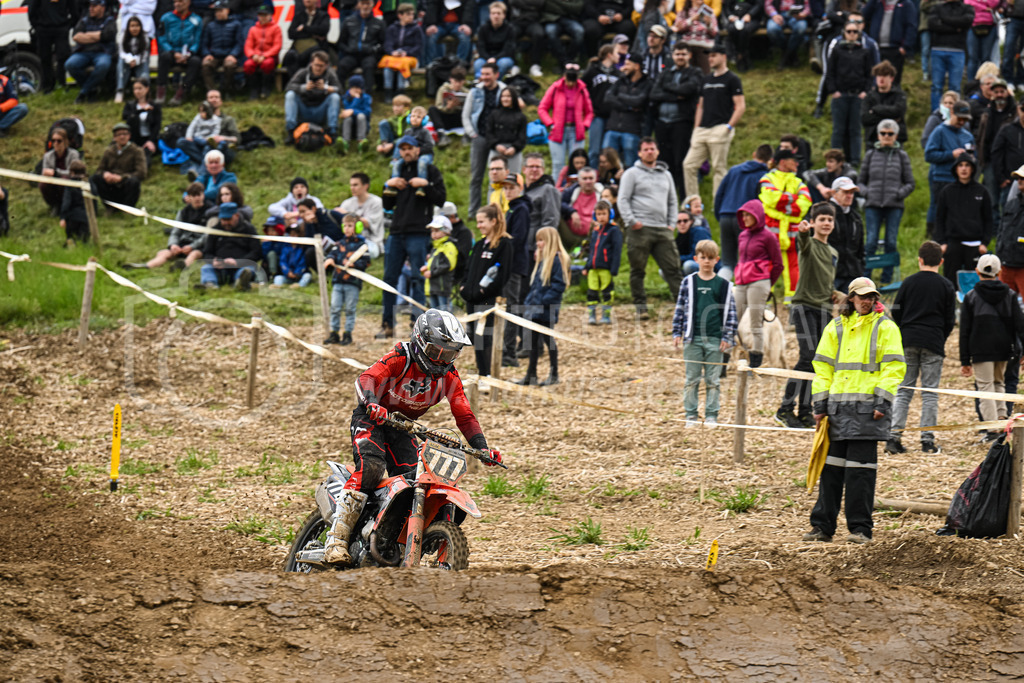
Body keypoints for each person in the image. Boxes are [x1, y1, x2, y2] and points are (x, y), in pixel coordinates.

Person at [322, 309, 501, 566]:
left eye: (450, 354)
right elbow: (367, 378)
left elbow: (464, 414)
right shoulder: (400, 357)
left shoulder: (449, 377)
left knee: (411, 484)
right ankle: (336, 541)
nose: (442, 360)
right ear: (420, 342)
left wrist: (482, 448)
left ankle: (390, 539)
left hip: (403, 428)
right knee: (371, 468)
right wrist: (372, 403)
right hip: (372, 419)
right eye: (437, 352)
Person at [804, 277, 906, 544]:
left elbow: (894, 368)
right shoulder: (835, 327)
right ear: (851, 298)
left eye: (871, 296)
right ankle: (822, 528)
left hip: (868, 412)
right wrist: (820, 405)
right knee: (831, 472)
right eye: (862, 296)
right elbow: (822, 369)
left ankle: (860, 530)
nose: (867, 301)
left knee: (860, 474)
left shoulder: (886, 327)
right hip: (837, 412)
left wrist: (882, 402)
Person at [887, 241, 956, 455]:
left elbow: (896, 311)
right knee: (929, 393)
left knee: (904, 390)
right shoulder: (946, 286)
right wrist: (940, 336)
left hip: (908, 339)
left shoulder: (908, 282)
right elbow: (950, 319)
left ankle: (893, 437)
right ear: (941, 262)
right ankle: (927, 440)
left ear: (920, 260)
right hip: (933, 341)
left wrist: (904, 330)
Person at [775, 202, 838, 429]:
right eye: (821, 219)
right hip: (803, 307)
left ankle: (804, 411)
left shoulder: (833, 253)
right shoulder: (808, 244)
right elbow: (801, 242)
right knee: (807, 356)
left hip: (823, 309)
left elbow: (826, 282)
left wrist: (838, 295)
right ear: (813, 223)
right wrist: (802, 232)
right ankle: (784, 409)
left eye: (829, 220)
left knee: (818, 361)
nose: (826, 223)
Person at [378, 136, 447, 338]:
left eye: (410, 148)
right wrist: (387, 185)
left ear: (418, 149)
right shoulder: (397, 171)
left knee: (418, 278)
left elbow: (441, 199)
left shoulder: (431, 171)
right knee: (389, 279)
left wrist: (425, 185)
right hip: (397, 232)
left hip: (419, 231)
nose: (406, 152)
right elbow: (387, 206)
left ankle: (417, 325)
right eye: (403, 149)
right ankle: (387, 324)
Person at [672, 239, 737, 426]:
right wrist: (677, 332)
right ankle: (690, 415)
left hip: (715, 339)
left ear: (717, 260)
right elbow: (680, 309)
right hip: (692, 339)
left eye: (710, 258)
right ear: (696, 259)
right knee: (691, 378)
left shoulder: (724, 285)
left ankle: (711, 415)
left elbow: (731, 312)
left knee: (713, 379)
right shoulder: (688, 282)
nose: (706, 261)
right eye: (703, 258)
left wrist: (728, 336)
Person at [961, 254, 1024, 442]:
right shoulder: (1010, 295)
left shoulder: (971, 297)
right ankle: (1002, 418)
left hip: (981, 350)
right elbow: (1020, 325)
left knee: (985, 387)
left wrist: (965, 360)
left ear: (977, 272)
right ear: (999, 272)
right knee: (999, 383)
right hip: (1004, 349)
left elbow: (965, 331)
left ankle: (992, 429)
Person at [619, 137, 682, 319]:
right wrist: (632, 221)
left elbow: (672, 200)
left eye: (652, 149)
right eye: (645, 149)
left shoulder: (666, 175)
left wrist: (671, 224)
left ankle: (683, 306)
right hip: (640, 228)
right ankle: (641, 308)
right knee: (638, 270)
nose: (649, 152)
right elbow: (623, 199)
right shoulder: (631, 174)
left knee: (673, 269)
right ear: (639, 153)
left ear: (657, 151)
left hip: (663, 229)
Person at [682, 44, 745, 201]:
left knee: (719, 168)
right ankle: (693, 203)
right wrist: (696, 128)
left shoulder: (732, 79)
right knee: (688, 165)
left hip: (720, 128)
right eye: (709, 56)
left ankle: (718, 203)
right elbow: (700, 106)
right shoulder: (706, 79)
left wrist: (729, 126)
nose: (710, 59)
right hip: (702, 129)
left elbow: (741, 106)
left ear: (723, 57)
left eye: (713, 55)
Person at [460, 204, 514, 377]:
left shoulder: (504, 244)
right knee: (475, 338)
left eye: (482, 222)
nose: (479, 226)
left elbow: (502, 275)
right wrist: (464, 287)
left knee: (485, 337)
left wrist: (483, 292)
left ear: (493, 221)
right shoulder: (479, 245)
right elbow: (468, 269)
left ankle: (489, 374)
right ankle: (482, 373)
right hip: (471, 298)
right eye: (477, 222)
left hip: (487, 300)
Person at [860, 119, 915, 284]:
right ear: (878, 135)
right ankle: (865, 278)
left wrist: (899, 194)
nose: (886, 136)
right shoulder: (870, 155)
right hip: (872, 205)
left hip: (894, 206)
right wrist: (867, 193)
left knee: (891, 242)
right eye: (883, 133)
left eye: (890, 134)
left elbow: (910, 183)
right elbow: (860, 181)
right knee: (870, 242)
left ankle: (887, 279)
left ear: (896, 136)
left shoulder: (902, 156)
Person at [517, 227, 570, 386]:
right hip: (535, 309)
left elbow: (558, 286)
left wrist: (542, 302)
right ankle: (530, 374)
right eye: (537, 240)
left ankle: (554, 373)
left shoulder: (556, 260)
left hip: (546, 309)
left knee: (548, 340)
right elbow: (535, 287)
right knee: (532, 343)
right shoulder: (543, 261)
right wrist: (529, 303)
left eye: (541, 240)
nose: (538, 244)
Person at [732, 199, 782, 369]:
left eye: (748, 215)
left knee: (755, 322)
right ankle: (726, 359)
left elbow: (778, 264)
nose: (745, 218)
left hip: (758, 282)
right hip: (741, 282)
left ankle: (756, 359)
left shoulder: (768, 236)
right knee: (732, 320)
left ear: (757, 215)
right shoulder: (742, 235)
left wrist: (767, 283)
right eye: (743, 215)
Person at [759, 148, 812, 304]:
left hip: (791, 233)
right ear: (782, 162)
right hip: (772, 232)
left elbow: (805, 203)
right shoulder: (767, 178)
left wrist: (781, 205)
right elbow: (771, 198)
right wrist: (793, 200)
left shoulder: (798, 181)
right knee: (768, 266)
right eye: (793, 160)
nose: (796, 163)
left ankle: (793, 304)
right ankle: (765, 303)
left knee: (794, 268)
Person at [651, 42, 703, 197]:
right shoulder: (665, 73)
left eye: (683, 54)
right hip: (662, 123)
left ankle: (683, 197)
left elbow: (688, 90)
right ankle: (666, 195)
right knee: (664, 161)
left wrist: (667, 89)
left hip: (682, 122)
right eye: (677, 54)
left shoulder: (695, 72)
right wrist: (677, 96)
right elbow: (653, 94)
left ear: (689, 56)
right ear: (672, 56)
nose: (680, 57)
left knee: (681, 160)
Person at [935, 152, 993, 286]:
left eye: (967, 165)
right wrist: (942, 242)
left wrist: (984, 242)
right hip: (952, 244)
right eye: (960, 165)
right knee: (950, 282)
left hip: (975, 245)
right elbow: (939, 219)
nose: (964, 168)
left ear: (972, 169)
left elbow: (989, 219)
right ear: (956, 169)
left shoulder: (982, 191)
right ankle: (951, 306)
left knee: (974, 283)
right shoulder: (947, 191)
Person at [125, 182, 212, 270]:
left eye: (199, 195)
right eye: (194, 195)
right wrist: (173, 245)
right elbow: (176, 231)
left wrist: (192, 246)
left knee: (194, 254)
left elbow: (208, 234)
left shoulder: (211, 211)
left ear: (203, 195)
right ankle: (145, 266)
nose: (197, 198)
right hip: (183, 243)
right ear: (189, 197)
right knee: (164, 253)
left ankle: (182, 266)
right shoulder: (183, 212)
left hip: (200, 246)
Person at [714, 144, 772, 271]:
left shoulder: (734, 170)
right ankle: (743, 288)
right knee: (747, 260)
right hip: (746, 219)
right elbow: (763, 200)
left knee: (728, 262)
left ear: (754, 154)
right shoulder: (764, 176)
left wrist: (719, 214)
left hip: (725, 215)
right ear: (770, 160)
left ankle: (720, 289)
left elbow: (719, 194)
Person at [826, 22, 873, 169]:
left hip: (857, 95)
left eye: (855, 31)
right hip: (841, 95)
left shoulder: (864, 52)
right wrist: (834, 91)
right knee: (838, 129)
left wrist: (865, 91)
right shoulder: (837, 50)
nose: (852, 34)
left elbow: (868, 74)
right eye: (849, 31)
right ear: (844, 33)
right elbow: (830, 72)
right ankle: (835, 158)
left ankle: (854, 159)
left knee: (855, 129)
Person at [464, 63, 507, 215]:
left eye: (487, 74)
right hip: (479, 137)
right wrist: (472, 133)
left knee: (494, 177)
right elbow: (466, 115)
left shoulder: (504, 91)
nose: (484, 78)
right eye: (482, 74)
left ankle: (492, 212)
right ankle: (472, 211)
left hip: (497, 140)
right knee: (476, 176)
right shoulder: (474, 92)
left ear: (496, 74)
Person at [538, 65, 594, 181]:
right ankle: (556, 191)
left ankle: (575, 191)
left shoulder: (582, 89)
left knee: (577, 164)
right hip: (558, 131)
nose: (571, 84)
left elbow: (589, 112)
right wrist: (550, 123)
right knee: (558, 164)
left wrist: (585, 125)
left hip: (576, 131)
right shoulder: (555, 88)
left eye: (573, 81)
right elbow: (542, 108)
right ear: (564, 77)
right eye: (569, 81)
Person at [323, 215, 372, 345]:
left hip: (353, 283)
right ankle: (334, 333)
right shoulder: (338, 244)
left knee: (350, 309)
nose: (347, 229)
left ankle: (347, 334)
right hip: (337, 282)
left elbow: (366, 262)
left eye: (350, 226)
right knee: (335, 307)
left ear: (357, 227)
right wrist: (330, 259)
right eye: (345, 226)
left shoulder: (362, 246)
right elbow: (331, 254)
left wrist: (354, 265)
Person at [602, 53, 651, 168]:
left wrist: (620, 95)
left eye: (628, 64)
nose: (624, 67)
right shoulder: (621, 80)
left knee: (631, 165)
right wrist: (628, 107)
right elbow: (608, 97)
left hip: (632, 130)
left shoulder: (647, 83)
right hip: (613, 128)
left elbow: (639, 101)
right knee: (608, 162)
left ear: (637, 66)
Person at [197, 202, 260, 290]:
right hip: (220, 268)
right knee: (206, 268)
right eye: (223, 219)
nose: (226, 222)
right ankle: (210, 284)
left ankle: (241, 283)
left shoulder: (249, 229)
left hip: (241, 266)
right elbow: (207, 252)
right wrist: (213, 261)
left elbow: (256, 253)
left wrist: (237, 262)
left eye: (229, 219)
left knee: (247, 270)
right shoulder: (215, 230)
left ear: (237, 216)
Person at [177, 89, 240, 173]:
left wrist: (222, 138)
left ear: (221, 101)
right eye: (211, 97)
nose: (214, 99)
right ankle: (209, 164)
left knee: (210, 147)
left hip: (221, 149)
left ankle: (200, 174)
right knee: (181, 141)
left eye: (216, 97)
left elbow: (238, 139)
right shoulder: (200, 118)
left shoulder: (228, 119)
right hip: (202, 145)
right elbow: (192, 131)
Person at [284, 51, 342, 143]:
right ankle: (291, 131)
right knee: (290, 95)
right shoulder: (303, 72)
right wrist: (302, 88)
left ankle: (332, 132)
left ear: (326, 65)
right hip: (304, 109)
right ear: (311, 63)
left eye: (321, 66)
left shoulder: (330, 74)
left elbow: (340, 90)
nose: (318, 68)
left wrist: (327, 88)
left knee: (335, 97)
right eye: (316, 65)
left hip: (320, 111)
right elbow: (288, 87)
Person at [66, 0, 116, 104]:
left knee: (103, 65)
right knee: (70, 64)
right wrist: (97, 36)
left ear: (102, 7)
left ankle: (84, 92)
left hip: (102, 52)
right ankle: (91, 90)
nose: (91, 8)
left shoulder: (110, 21)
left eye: (94, 6)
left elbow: (108, 35)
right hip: (83, 52)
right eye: (90, 6)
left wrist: (86, 36)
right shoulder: (84, 20)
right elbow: (76, 36)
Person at [927, 0, 974, 110]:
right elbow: (932, 24)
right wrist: (956, 27)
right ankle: (936, 114)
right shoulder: (936, 7)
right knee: (936, 86)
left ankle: (954, 113)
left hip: (958, 50)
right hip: (937, 49)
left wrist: (943, 20)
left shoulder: (968, 8)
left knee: (955, 87)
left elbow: (966, 22)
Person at [156, 0, 204, 106]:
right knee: (164, 57)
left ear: (188, 2)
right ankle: (160, 93)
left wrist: (189, 53)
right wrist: (173, 52)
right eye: (175, 1)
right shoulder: (166, 18)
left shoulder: (197, 19)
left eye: (180, 1)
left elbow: (197, 40)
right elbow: (162, 39)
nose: (177, 4)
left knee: (196, 62)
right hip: (172, 53)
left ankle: (182, 92)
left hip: (187, 55)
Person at [91, 123, 148, 211]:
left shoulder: (137, 151)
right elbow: (99, 170)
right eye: (119, 135)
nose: (122, 137)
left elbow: (141, 172)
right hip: (110, 184)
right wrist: (105, 174)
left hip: (126, 184)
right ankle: (109, 207)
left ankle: (128, 209)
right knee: (95, 178)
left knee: (134, 181)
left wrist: (122, 178)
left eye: (125, 134)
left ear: (129, 136)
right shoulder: (108, 151)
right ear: (114, 137)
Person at [584, 200, 623, 325]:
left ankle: (606, 315)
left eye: (603, 214)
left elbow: (617, 250)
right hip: (593, 268)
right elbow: (591, 250)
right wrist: (587, 266)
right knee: (591, 292)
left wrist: (614, 268)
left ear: (609, 214)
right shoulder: (595, 231)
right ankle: (592, 314)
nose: (601, 217)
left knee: (607, 291)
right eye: (598, 214)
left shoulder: (614, 230)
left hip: (606, 268)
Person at [583, 47, 622, 168]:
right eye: (617, 53)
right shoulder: (592, 71)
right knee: (594, 150)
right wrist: (588, 110)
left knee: (609, 152)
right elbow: (582, 90)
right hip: (597, 116)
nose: (619, 56)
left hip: (613, 117)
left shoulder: (619, 74)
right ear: (609, 55)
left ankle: (608, 178)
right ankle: (592, 177)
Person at [861, 0, 916, 83]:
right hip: (876, 48)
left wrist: (905, 47)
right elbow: (864, 16)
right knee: (874, 78)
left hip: (895, 49)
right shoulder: (877, 3)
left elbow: (911, 26)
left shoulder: (906, 4)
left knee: (893, 80)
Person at [385, 107, 435, 196]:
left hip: (425, 154)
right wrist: (397, 157)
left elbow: (430, 145)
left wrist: (419, 151)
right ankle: (393, 185)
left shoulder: (425, 132)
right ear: (409, 118)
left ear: (424, 120)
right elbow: (402, 144)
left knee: (422, 163)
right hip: (410, 154)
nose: (415, 119)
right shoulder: (408, 131)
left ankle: (421, 186)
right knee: (396, 164)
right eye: (413, 116)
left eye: (418, 117)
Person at [337, 0, 385, 92]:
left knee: (369, 67)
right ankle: (340, 93)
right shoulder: (349, 21)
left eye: (368, 4)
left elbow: (384, 43)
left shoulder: (379, 23)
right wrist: (348, 49)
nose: (365, 7)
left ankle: (367, 95)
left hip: (369, 55)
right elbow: (340, 42)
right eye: (363, 4)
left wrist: (374, 50)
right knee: (342, 65)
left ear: (372, 5)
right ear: (359, 5)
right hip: (352, 54)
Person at [27, 0, 74, 95]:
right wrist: (37, 27)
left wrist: (68, 26)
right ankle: (47, 87)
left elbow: (74, 10)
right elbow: (31, 11)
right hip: (43, 29)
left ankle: (62, 84)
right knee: (45, 58)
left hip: (61, 28)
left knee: (63, 57)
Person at [828, 176, 865, 294]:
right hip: (830, 274)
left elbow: (860, 249)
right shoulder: (824, 213)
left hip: (852, 274)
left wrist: (860, 268)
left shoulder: (856, 218)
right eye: (845, 192)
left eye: (852, 192)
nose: (850, 196)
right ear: (834, 193)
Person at [200, 0, 244, 93]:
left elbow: (239, 43)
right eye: (216, 11)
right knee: (206, 65)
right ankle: (213, 92)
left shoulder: (236, 24)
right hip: (214, 55)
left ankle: (226, 90)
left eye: (220, 10)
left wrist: (233, 54)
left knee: (229, 65)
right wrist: (207, 54)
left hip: (229, 55)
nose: (218, 13)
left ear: (227, 10)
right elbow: (204, 43)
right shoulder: (210, 26)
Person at [379, 3, 423, 96]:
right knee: (387, 67)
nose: (411, 17)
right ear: (400, 15)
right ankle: (388, 91)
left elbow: (418, 46)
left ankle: (400, 91)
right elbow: (387, 44)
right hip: (394, 57)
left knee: (402, 66)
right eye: (408, 14)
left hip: (409, 57)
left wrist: (407, 53)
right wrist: (392, 52)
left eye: (412, 14)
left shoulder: (417, 29)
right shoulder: (392, 28)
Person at [337, 172, 385, 259]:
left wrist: (348, 214)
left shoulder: (376, 202)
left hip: (371, 241)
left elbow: (368, 224)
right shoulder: (347, 203)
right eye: (351, 185)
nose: (352, 188)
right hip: (350, 240)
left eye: (355, 185)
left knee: (371, 252)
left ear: (365, 186)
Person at [861, 60, 908, 147]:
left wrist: (875, 109)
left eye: (885, 75)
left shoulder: (899, 95)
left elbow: (899, 112)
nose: (881, 78)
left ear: (891, 78)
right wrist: (891, 117)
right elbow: (865, 119)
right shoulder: (869, 97)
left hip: (896, 140)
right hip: (872, 139)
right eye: (879, 75)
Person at [420, 215, 460, 312]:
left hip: (443, 287)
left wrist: (432, 272)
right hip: (433, 286)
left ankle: (448, 327)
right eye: (432, 231)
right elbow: (434, 264)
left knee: (444, 311)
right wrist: (426, 268)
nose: (433, 234)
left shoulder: (449, 246)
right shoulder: (435, 248)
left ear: (446, 231)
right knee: (435, 312)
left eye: (437, 231)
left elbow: (448, 264)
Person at [283, 0, 332, 79]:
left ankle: (312, 80)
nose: (307, 0)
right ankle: (296, 81)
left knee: (314, 54)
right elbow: (290, 34)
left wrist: (304, 28)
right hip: (298, 48)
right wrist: (312, 33)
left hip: (316, 48)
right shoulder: (299, 15)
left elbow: (323, 30)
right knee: (290, 55)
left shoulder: (323, 15)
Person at [121, 78, 162, 168]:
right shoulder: (130, 105)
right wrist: (141, 111)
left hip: (148, 138)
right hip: (134, 138)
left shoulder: (155, 106)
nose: (137, 91)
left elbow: (157, 126)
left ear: (147, 89)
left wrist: (151, 141)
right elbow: (127, 120)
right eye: (135, 89)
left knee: (145, 159)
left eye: (140, 88)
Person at [486, 87, 528, 175]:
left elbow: (522, 136)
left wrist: (514, 148)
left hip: (514, 152)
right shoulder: (494, 114)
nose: (505, 99)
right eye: (503, 96)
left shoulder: (521, 117)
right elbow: (489, 133)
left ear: (514, 98)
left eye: (508, 96)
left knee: (513, 179)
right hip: (496, 150)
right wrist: (496, 145)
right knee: (495, 180)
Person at [559, 166, 603, 251]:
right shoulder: (572, 192)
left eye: (591, 178)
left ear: (596, 179)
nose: (588, 181)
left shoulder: (602, 193)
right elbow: (558, 203)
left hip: (595, 236)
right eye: (585, 179)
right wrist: (572, 212)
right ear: (579, 180)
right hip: (571, 236)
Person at [243, 3, 282, 100]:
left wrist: (265, 55)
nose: (263, 17)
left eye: (265, 15)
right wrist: (252, 55)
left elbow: (277, 46)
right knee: (248, 65)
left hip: (269, 57)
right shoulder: (253, 29)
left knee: (267, 64)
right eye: (260, 15)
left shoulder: (276, 28)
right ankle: (254, 89)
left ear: (270, 16)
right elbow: (248, 45)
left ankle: (266, 88)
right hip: (255, 56)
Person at [991, 101, 1024, 211]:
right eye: (1023, 109)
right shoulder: (1007, 129)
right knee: (1008, 214)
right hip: (1012, 181)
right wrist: (1001, 178)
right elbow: (996, 153)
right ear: (1018, 109)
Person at [40, 128, 82, 214]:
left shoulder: (74, 154)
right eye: (53, 141)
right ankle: (55, 205)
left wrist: (56, 172)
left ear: (65, 142)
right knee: (43, 185)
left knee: (64, 181)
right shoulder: (47, 156)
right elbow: (44, 172)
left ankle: (67, 206)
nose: (55, 143)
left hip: (69, 182)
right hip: (53, 182)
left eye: (59, 141)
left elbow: (74, 172)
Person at [997, 165, 1024, 295]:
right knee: (1005, 306)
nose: (1019, 181)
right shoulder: (1011, 204)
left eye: (1022, 178)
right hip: (1006, 264)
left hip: (1022, 268)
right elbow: (1001, 231)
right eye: (1018, 178)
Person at [474, 2, 517, 78]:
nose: (496, 16)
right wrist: (488, 58)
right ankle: (479, 84)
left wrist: (495, 58)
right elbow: (481, 47)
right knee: (478, 63)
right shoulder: (483, 29)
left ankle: (495, 84)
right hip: (486, 57)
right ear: (489, 15)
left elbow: (508, 49)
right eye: (493, 13)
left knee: (502, 63)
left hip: (504, 57)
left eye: (498, 13)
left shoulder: (510, 29)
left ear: (504, 15)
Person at [424, 0, 474, 65]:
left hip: (458, 25)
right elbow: (432, 7)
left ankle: (460, 65)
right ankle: (431, 65)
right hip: (440, 25)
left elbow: (469, 9)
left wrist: (466, 24)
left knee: (464, 36)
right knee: (431, 36)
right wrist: (431, 24)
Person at [765, 0, 810, 69]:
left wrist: (804, 14)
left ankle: (785, 56)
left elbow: (808, 5)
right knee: (772, 29)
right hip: (778, 14)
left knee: (801, 28)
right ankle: (790, 53)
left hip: (796, 16)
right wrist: (774, 15)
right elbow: (768, 4)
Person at [541, 0, 586, 70]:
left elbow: (577, 8)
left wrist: (557, 3)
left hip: (570, 19)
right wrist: (566, 5)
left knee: (579, 32)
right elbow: (547, 5)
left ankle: (570, 60)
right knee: (550, 32)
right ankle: (564, 61)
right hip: (552, 19)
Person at [429, 66, 469, 144]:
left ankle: (467, 135)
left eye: (460, 82)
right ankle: (442, 134)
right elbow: (439, 106)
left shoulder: (466, 92)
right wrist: (448, 107)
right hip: (445, 118)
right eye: (455, 81)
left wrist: (459, 106)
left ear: (463, 81)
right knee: (432, 109)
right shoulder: (443, 89)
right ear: (451, 79)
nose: (457, 84)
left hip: (459, 118)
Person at [116, 16, 150, 104]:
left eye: (137, 26)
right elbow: (121, 52)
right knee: (120, 63)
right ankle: (120, 90)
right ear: (128, 27)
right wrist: (130, 60)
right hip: (127, 61)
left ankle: (144, 93)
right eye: (132, 26)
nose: (134, 28)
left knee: (144, 72)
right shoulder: (123, 36)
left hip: (140, 61)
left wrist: (136, 60)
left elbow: (145, 53)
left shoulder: (145, 37)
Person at [721, 0, 762, 73]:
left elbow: (759, 5)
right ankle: (743, 56)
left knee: (745, 30)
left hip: (752, 19)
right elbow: (726, 6)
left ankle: (740, 55)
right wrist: (730, 16)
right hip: (735, 19)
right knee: (732, 29)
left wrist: (750, 14)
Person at [60, 160, 91, 248]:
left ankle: (71, 246)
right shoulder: (89, 183)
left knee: (72, 239)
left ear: (72, 172)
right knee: (84, 240)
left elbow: (66, 202)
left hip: (72, 217)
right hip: (87, 217)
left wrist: (63, 217)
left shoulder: (70, 184)